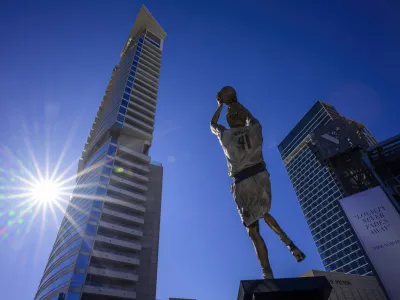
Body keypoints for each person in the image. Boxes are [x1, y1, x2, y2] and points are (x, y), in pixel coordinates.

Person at [210, 86, 306, 279]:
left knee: (253, 231)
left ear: (229, 120)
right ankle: (290, 245)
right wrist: (235, 102)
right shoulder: (255, 128)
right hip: (260, 177)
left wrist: (221, 106)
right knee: (264, 212)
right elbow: (249, 116)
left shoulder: (225, 134)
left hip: (241, 181)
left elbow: (212, 123)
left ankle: (267, 273)